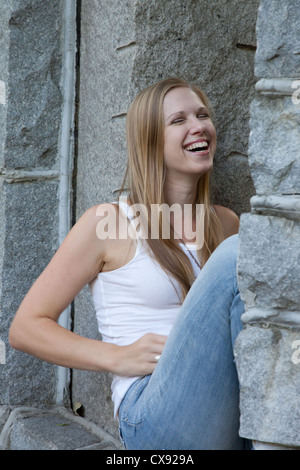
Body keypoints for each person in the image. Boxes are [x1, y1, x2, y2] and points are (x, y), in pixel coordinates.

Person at [9, 77, 249, 450]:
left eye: (203, 115)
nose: (199, 126)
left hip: (226, 408)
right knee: (241, 251)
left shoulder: (225, 223)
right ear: (149, 139)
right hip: (151, 411)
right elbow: (25, 328)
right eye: (179, 120)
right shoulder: (108, 223)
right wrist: (116, 357)